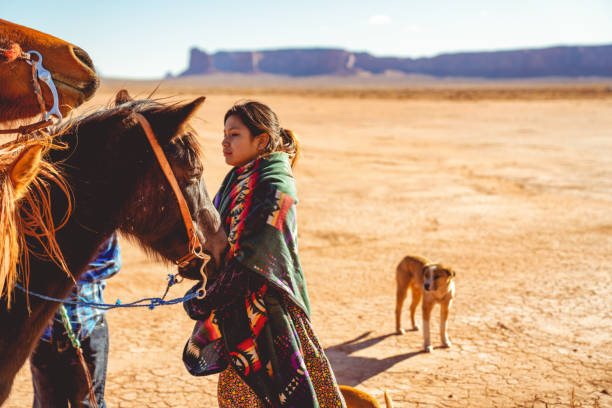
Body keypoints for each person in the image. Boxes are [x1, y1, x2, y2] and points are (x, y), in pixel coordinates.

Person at [182, 101, 346, 407]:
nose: (224, 142)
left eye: (234, 134)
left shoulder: (276, 187)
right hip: (236, 315)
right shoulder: (238, 179)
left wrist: (203, 299)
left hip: (270, 320)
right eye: (224, 134)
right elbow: (221, 245)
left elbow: (253, 263)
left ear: (262, 141)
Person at [30, 233, 121, 408]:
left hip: (87, 328)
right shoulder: (29, 217)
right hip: (41, 335)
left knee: (88, 404)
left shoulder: (98, 214)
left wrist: (61, 278)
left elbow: (111, 261)